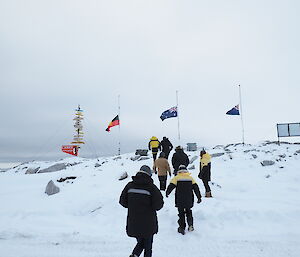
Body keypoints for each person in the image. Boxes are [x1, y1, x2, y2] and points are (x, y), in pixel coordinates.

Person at [119, 165, 164, 257]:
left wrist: (133, 206)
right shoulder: (152, 188)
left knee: (141, 242)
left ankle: (134, 255)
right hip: (148, 223)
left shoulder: (129, 186)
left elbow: (122, 201)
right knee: (147, 246)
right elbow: (159, 205)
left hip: (133, 222)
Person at [166, 165, 202, 235]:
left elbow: (171, 186)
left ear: (179, 170)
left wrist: (167, 193)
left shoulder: (176, 178)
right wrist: (199, 197)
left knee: (181, 213)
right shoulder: (191, 178)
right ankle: (190, 225)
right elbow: (196, 188)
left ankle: (182, 227)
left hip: (180, 199)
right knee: (189, 212)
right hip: (189, 199)